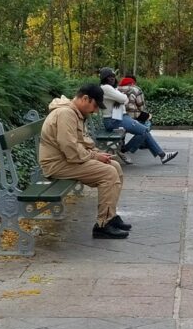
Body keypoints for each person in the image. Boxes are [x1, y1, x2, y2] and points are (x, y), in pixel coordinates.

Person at [39, 83, 130, 239]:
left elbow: (81, 143)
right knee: (108, 173)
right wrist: (95, 157)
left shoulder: (75, 113)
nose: (95, 111)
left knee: (114, 166)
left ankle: (110, 216)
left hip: (67, 161)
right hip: (58, 164)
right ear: (85, 98)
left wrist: (98, 154)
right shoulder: (66, 114)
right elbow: (70, 148)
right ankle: (103, 226)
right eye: (94, 106)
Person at [98, 67, 179, 165]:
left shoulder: (112, 88)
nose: (112, 79)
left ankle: (162, 155)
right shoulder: (106, 88)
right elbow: (124, 99)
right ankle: (124, 150)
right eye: (108, 77)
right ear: (104, 78)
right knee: (144, 130)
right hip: (114, 120)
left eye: (113, 77)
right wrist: (121, 99)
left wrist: (121, 99)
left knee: (144, 130)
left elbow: (125, 100)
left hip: (120, 117)